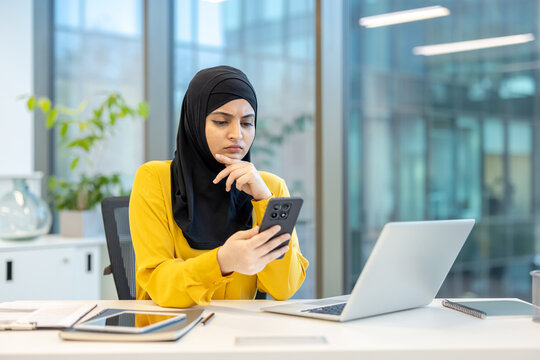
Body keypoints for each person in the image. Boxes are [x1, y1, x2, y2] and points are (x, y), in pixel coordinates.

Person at [129, 65, 309, 308]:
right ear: (194, 121)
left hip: (237, 334)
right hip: (171, 333)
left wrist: (264, 200)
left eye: (247, 123)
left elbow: (284, 288)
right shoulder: (154, 180)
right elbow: (160, 285)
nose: (237, 134)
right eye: (222, 122)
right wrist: (222, 261)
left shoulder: (270, 188)